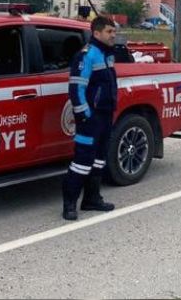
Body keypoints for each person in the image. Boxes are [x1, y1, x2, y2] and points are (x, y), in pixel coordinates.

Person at [62, 16, 118, 220]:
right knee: (82, 162)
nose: (114, 35)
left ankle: (92, 199)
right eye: (109, 32)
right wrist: (86, 116)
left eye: (114, 31)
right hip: (89, 119)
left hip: (105, 116)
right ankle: (69, 205)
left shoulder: (107, 55)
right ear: (96, 33)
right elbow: (76, 89)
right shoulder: (86, 56)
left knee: (99, 160)